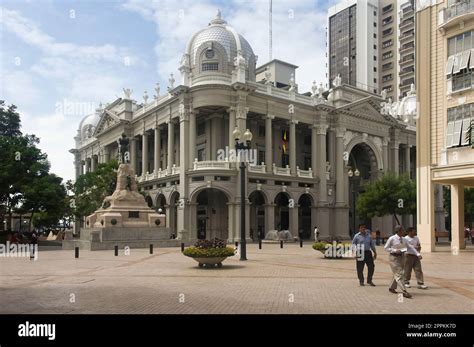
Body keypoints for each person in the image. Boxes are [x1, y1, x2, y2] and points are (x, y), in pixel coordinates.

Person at [384, 225, 420, 299]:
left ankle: (392, 287)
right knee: (400, 274)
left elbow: (410, 247)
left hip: (402, 257)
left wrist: (417, 254)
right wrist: (394, 250)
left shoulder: (404, 239)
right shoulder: (392, 238)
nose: (404, 232)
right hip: (394, 258)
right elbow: (386, 248)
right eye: (402, 230)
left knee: (397, 273)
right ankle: (404, 291)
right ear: (398, 231)